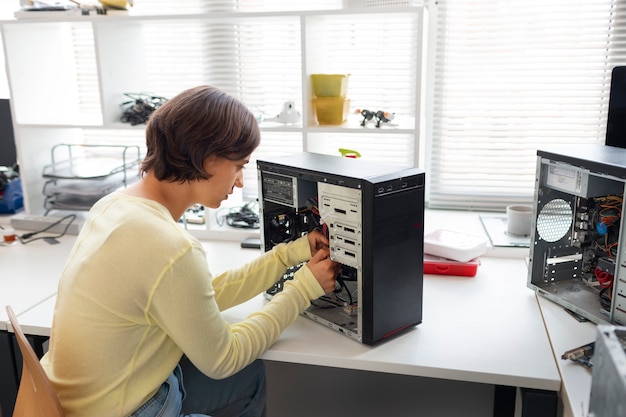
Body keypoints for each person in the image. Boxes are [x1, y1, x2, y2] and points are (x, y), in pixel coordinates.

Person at [41, 85, 341, 417]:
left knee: (250, 375)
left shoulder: (114, 206)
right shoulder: (167, 246)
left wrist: (290, 254)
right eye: (239, 165)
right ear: (208, 157)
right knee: (240, 367)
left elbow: (196, 295)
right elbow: (223, 358)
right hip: (125, 410)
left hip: (79, 400)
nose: (240, 181)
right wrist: (303, 289)